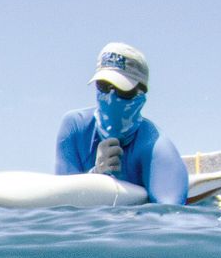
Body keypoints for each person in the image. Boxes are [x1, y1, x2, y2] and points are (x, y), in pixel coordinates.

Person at [55, 42, 188, 204]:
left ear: (141, 94)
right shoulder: (75, 127)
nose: (111, 98)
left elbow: (170, 214)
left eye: (122, 90)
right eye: (103, 86)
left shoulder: (157, 148)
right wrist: (95, 176)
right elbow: (62, 205)